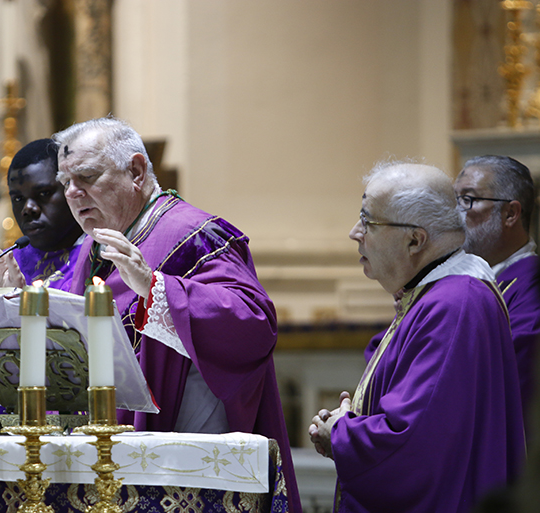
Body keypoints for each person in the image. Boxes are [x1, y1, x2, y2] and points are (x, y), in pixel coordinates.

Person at [54, 117, 301, 513]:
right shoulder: (91, 248)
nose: (72, 192)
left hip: (182, 444)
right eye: (64, 182)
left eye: (86, 176)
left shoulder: (195, 234)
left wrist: (156, 288)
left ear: (135, 171)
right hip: (108, 447)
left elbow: (254, 324)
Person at [308, 161, 525, 513]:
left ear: (415, 239)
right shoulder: (437, 294)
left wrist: (341, 434)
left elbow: (414, 441)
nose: (354, 232)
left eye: (368, 221)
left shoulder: (455, 305)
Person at [454, 155, 540, 437]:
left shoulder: (531, 283)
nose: (456, 213)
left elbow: (514, 370)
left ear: (510, 214)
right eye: (454, 199)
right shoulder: (468, 279)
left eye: (467, 200)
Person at [0, 138, 84, 290]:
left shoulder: (101, 259)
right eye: (18, 198)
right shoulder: (1, 269)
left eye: (44, 193)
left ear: (71, 190)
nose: (28, 209)